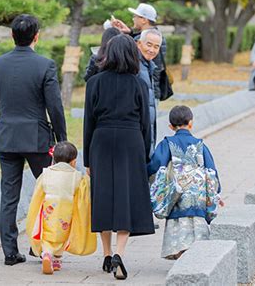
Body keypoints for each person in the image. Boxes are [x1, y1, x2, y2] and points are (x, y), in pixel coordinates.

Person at [0, 14, 67, 266]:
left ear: (12, 35)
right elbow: (55, 105)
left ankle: (10, 252)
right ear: (37, 36)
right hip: (37, 137)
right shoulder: (45, 65)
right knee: (48, 192)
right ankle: (41, 247)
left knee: (9, 195)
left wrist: (9, 112)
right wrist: (62, 139)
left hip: (7, 135)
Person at [83, 34, 154, 280]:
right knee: (126, 197)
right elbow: (146, 123)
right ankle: (120, 255)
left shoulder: (94, 83)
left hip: (101, 140)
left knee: (102, 195)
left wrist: (87, 161)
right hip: (130, 141)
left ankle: (105, 253)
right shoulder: (138, 84)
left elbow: (88, 123)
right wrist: (144, 154)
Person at [147, 105, 222, 259]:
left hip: (176, 197)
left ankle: (181, 254)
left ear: (170, 126)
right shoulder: (200, 145)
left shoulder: (167, 143)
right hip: (198, 198)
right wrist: (216, 191)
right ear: (191, 123)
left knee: (178, 228)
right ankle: (195, 257)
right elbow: (211, 170)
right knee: (197, 228)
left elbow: (155, 165)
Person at [26, 141, 97, 274]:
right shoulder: (77, 177)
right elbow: (82, 195)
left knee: (48, 233)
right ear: (73, 162)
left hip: (48, 209)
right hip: (67, 212)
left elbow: (38, 193)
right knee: (62, 234)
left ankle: (46, 254)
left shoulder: (46, 174)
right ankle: (57, 259)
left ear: (53, 158)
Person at [111, 3, 167, 100]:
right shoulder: (157, 36)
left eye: (135, 16)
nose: (133, 19)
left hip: (144, 91)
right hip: (152, 89)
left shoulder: (144, 40)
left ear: (144, 20)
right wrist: (130, 32)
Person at [137, 28, 162, 155]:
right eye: (149, 44)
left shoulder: (148, 66)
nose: (152, 50)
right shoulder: (135, 66)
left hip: (147, 129)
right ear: (139, 43)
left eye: (156, 47)